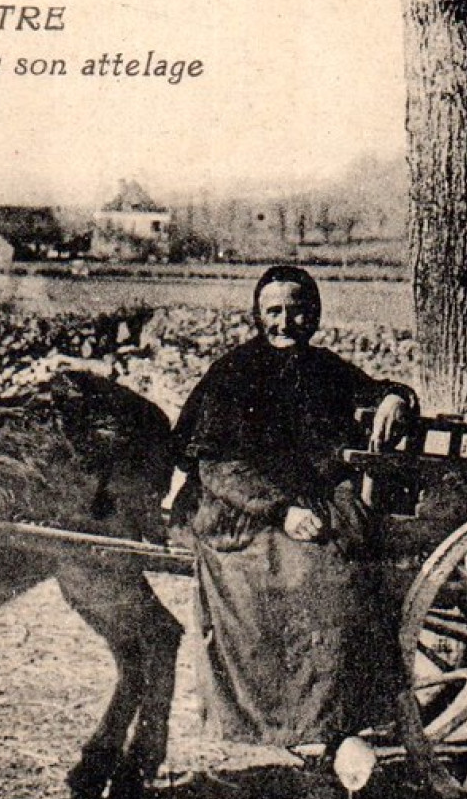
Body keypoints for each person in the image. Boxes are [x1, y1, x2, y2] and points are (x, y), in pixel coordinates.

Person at [170, 265, 418, 755]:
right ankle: (292, 725)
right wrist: (280, 511)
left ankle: (334, 720)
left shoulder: (324, 367)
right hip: (242, 511)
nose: (286, 322)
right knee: (306, 576)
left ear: (315, 314)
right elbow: (215, 465)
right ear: (258, 316)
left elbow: (370, 388)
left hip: (313, 502)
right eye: (275, 312)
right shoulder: (234, 373)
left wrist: (395, 396)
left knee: (346, 576)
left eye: (298, 310)